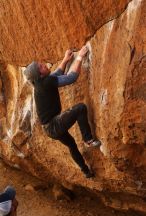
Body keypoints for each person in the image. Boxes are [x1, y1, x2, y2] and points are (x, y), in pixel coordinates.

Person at [24, 45, 101, 178]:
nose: (44, 64)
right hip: (53, 125)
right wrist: (80, 57)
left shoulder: (40, 83)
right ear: (40, 74)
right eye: (41, 66)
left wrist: (65, 60)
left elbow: (56, 74)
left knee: (71, 145)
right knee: (80, 108)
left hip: (49, 128)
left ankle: (86, 171)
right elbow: (71, 77)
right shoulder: (46, 82)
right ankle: (88, 139)